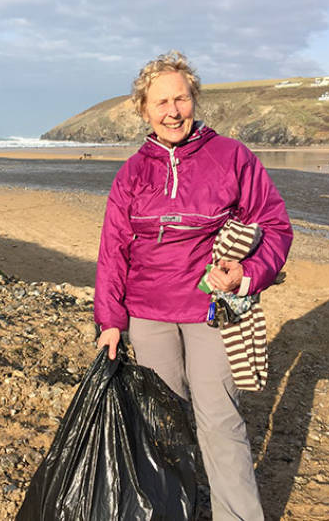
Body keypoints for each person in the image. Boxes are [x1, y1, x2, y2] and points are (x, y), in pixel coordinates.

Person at [94, 51, 293, 520]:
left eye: (181, 98)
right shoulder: (131, 173)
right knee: (163, 430)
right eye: (161, 102)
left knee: (221, 424)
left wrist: (247, 273)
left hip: (213, 312)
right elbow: (112, 252)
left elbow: (276, 226)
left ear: (194, 99)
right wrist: (110, 322)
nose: (173, 110)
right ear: (144, 109)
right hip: (147, 317)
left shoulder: (232, 156)